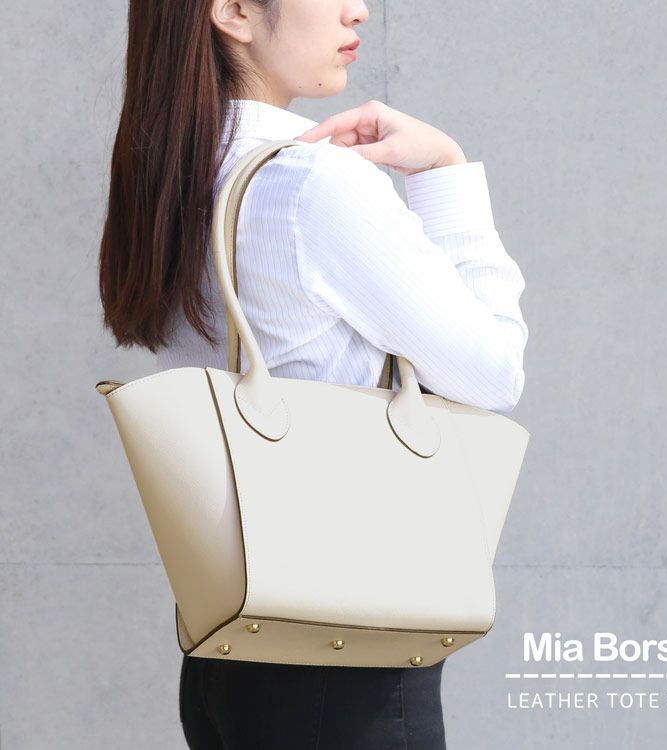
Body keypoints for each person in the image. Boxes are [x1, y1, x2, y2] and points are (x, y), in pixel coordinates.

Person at [98, 1, 529, 747]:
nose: (357, 9)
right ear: (234, 11)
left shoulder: (177, 179)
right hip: (344, 657)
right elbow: (494, 373)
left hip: (226, 652)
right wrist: (446, 174)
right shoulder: (312, 183)